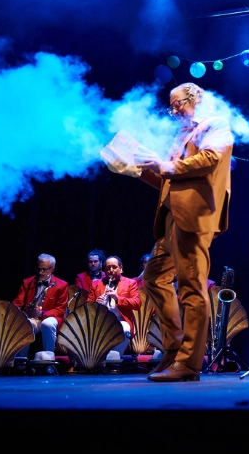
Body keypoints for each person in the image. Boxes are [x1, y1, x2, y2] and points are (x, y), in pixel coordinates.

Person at [134, 82, 233, 382]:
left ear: (194, 99)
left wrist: (165, 166)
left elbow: (209, 160)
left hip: (193, 215)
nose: (173, 110)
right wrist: (140, 169)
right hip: (171, 217)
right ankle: (174, 347)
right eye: (171, 106)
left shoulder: (215, 124)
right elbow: (168, 180)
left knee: (191, 285)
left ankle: (189, 363)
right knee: (153, 277)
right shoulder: (182, 135)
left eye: (176, 104)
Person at [12, 253, 70, 361]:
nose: (40, 272)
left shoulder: (62, 285)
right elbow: (18, 302)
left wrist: (42, 313)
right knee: (25, 325)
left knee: (47, 324)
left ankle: (48, 360)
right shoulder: (27, 282)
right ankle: (21, 363)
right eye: (38, 269)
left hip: (50, 317)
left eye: (44, 269)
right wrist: (11, 311)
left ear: (52, 269)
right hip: (31, 317)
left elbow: (60, 309)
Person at [87, 255, 141, 360]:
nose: (111, 270)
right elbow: (87, 305)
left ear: (121, 268)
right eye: (108, 268)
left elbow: (137, 303)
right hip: (100, 320)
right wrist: (95, 303)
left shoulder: (130, 283)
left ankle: (114, 360)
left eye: (114, 267)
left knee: (125, 328)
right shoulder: (96, 284)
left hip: (121, 320)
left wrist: (117, 298)